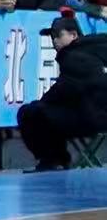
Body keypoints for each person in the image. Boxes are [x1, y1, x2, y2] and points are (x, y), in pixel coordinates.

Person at [17, 14, 107, 171]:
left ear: (73, 35)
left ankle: (53, 159)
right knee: (48, 113)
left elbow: (65, 89)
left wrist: (41, 103)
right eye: (52, 37)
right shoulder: (97, 48)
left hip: (91, 118)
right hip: (97, 113)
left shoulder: (73, 56)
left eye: (58, 35)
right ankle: (56, 158)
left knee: (31, 113)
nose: (54, 41)